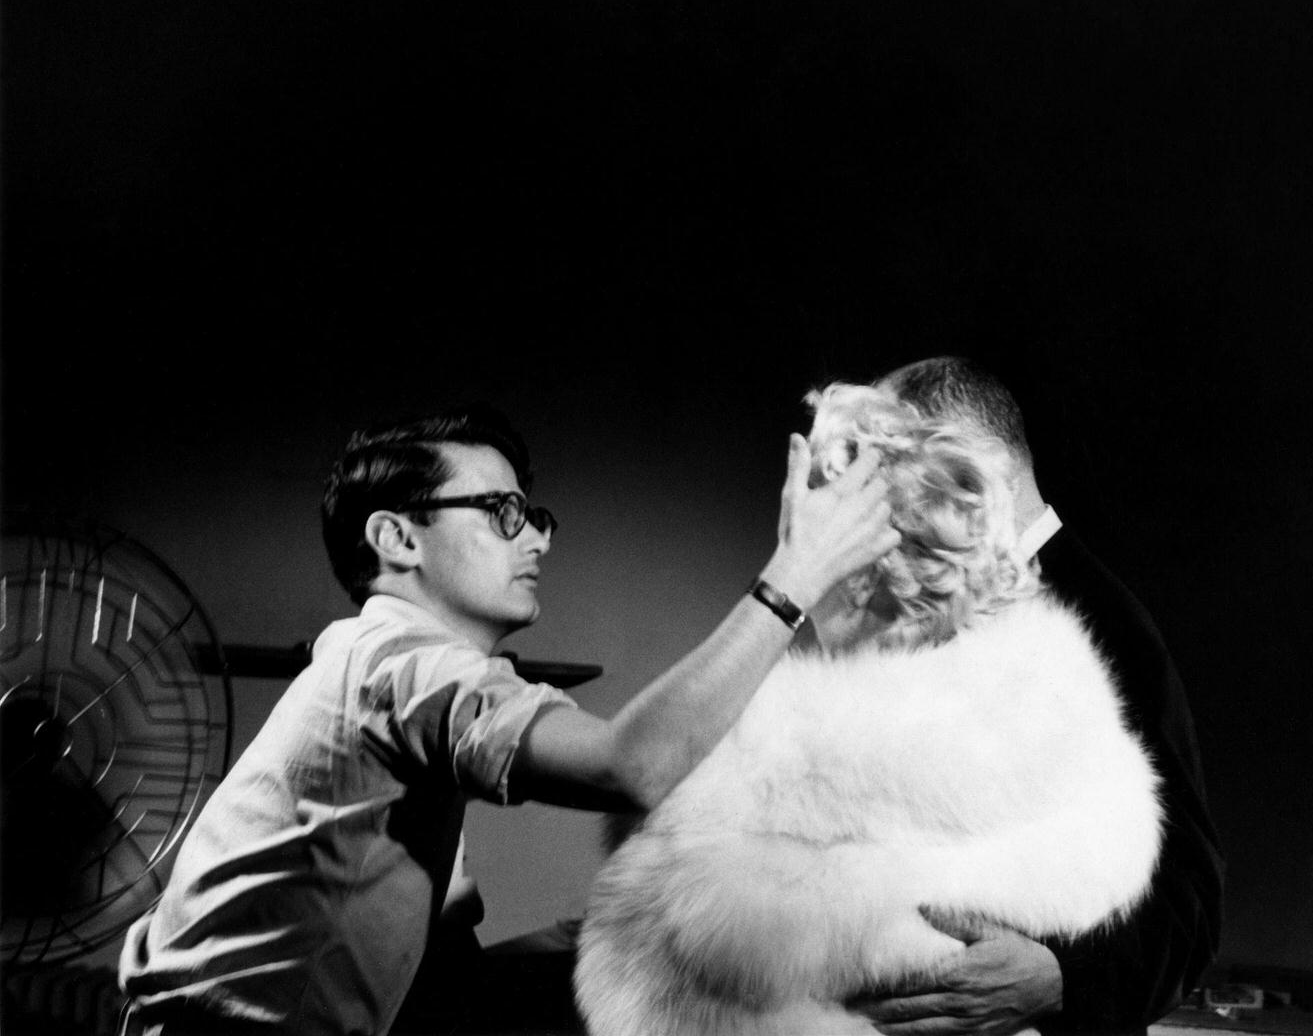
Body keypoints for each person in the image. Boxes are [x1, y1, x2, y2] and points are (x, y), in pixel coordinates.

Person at [117, 402, 899, 1036]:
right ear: (395, 537)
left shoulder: (368, 664)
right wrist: (798, 573)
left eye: (533, 514)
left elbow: (444, 967)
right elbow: (630, 768)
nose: (536, 540)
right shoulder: (404, 664)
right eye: (501, 512)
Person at [572, 379, 1165, 1036]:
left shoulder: (735, 783)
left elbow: (636, 983)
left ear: (858, 571)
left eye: (818, 526)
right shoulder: (1071, 733)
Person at [849, 356, 1225, 1036]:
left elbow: (1190, 903)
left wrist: (1062, 980)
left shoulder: (1104, 630)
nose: (875, 502)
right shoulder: (928, 615)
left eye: (890, 469)